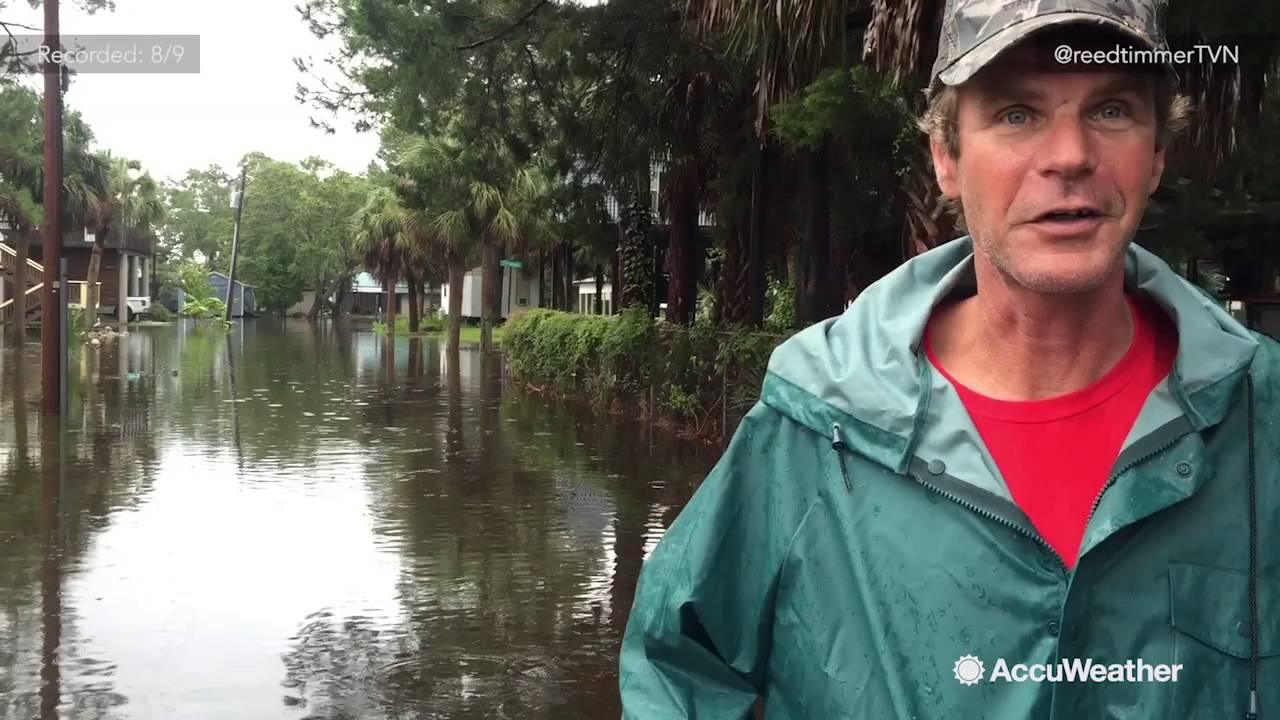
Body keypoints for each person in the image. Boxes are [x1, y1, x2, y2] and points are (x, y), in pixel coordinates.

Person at [619, 0, 1280, 717]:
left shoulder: (1260, 416)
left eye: (1112, 110)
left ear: (1156, 155)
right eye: (1017, 114)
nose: (1069, 156)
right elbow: (676, 666)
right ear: (947, 159)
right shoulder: (819, 422)